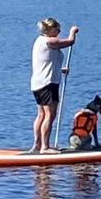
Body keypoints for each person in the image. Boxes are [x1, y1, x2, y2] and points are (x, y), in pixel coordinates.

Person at [30, 17, 79, 153]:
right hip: (47, 84)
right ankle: (45, 147)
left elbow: (46, 61)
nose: (59, 31)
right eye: (57, 29)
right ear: (50, 30)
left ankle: (37, 144)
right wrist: (73, 31)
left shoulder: (39, 41)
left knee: (41, 114)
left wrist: (60, 69)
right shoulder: (49, 41)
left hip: (38, 83)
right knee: (49, 115)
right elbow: (70, 42)